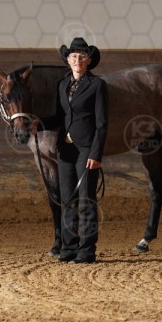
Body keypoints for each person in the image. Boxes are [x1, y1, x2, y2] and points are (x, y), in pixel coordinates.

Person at [35, 37, 108, 264]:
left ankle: (87, 251)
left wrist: (96, 154)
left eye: (82, 56)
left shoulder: (97, 85)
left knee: (86, 201)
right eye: (74, 56)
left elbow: (102, 124)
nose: (78, 60)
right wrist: (39, 123)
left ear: (89, 60)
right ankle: (68, 248)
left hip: (86, 149)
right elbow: (60, 117)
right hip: (65, 150)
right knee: (67, 200)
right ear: (68, 60)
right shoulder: (62, 84)